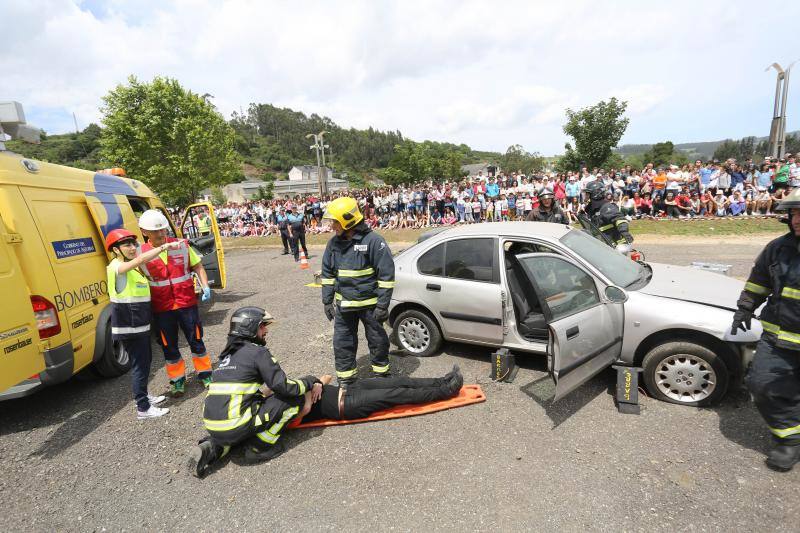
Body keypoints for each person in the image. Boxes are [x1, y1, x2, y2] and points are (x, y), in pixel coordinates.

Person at [188, 307, 322, 476]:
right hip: (235, 424)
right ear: (249, 327)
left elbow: (247, 393)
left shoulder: (226, 357)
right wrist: (310, 381)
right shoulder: (257, 352)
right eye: (262, 326)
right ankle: (259, 447)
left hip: (213, 425)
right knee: (293, 400)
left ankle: (212, 447)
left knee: (239, 422)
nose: (265, 330)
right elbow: (284, 387)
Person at [731, 188, 800, 471]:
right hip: (778, 340)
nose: (797, 219)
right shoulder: (778, 248)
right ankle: (789, 440)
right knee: (761, 386)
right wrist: (744, 308)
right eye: (795, 213)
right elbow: (759, 281)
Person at [320, 197, 395, 386]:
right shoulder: (333, 244)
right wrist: (327, 301)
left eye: (335, 222)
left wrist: (382, 306)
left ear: (347, 220)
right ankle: (347, 379)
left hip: (371, 306)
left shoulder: (374, 241)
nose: (331, 226)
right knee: (343, 342)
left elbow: (386, 276)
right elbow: (328, 274)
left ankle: (381, 375)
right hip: (344, 306)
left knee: (377, 340)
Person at [137, 209, 213, 396]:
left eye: (163, 229)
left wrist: (205, 286)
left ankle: (205, 374)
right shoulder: (140, 253)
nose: (161, 234)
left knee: (195, 339)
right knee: (168, 345)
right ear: (144, 231)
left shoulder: (181, 245)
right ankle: (177, 380)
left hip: (186, 303)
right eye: (155, 231)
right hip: (161, 307)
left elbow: (197, 266)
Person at [105, 229, 179, 419]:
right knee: (140, 366)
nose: (132, 248)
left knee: (144, 363)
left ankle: (144, 396)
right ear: (115, 250)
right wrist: (164, 247)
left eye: (133, 244)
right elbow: (140, 260)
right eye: (126, 245)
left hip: (139, 325)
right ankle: (143, 408)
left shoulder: (130, 268)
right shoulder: (116, 267)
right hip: (130, 327)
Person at [584, 180, 634, 246]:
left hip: (611, 246)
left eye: (587, 193)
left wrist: (624, 232)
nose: (585, 195)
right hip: (601, 243)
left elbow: (620, 219)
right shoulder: (594, 209)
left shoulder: (606, 207)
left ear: (595, 194)